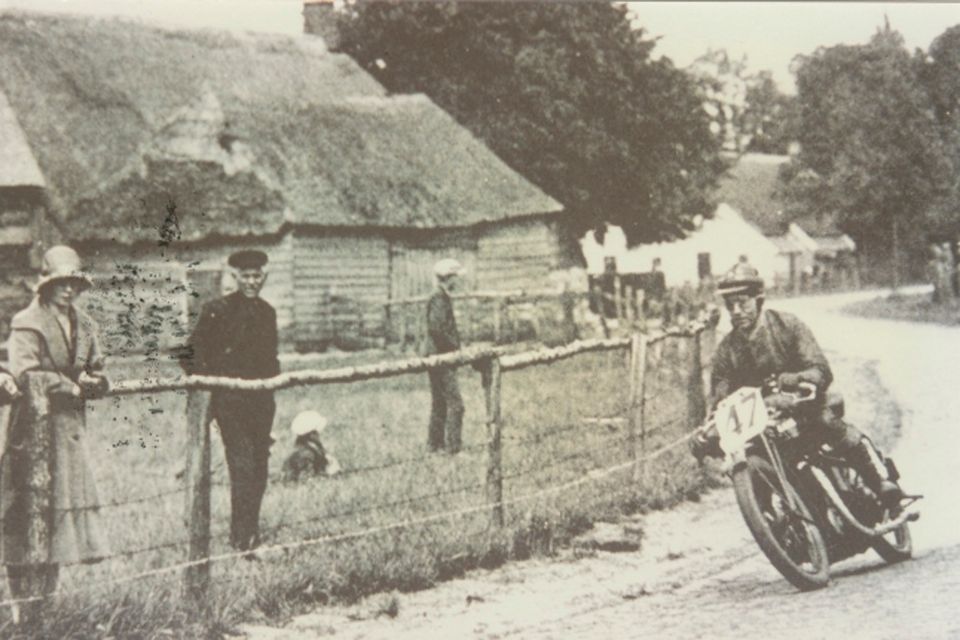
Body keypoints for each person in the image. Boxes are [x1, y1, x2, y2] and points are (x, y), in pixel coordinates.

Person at [692, 260, 903, 506]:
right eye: (731, 305)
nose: (737, 310)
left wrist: (797, 380)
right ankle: (777, 525)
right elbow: (720, 393)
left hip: (804, 407)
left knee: (826, 422)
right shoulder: (727, 350)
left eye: (743, 302)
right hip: (764, 423)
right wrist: (709, 426)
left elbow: (819, 366)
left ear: (758, 300)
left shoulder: (787, 326)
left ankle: (880, 479)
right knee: (754, 462)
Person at [0, 246, 110, 616]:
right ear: (44, 285)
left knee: (59, 518)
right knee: (25, 512)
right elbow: (25, 373)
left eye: (73, 283)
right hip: (33, 430)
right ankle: (21, 607)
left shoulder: (84, 323)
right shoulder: (27, 323)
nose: (67, 290)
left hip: (69, 432)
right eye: (60, 283)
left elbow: (93, 365)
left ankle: (45, 603)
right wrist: (67, 386)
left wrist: (94, 380)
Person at [181, 249, 279, 552]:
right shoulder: (217, 310)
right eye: (246, 276)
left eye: (256, 276)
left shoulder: (267, 312)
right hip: (231, 403)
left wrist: (271, 383)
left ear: (263, 277)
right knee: (242, 465)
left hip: (261, 401)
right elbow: (189, 355)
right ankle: (242, 539)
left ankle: (251, 531)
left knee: (260, 467)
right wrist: (213, 383)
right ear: (235, 277)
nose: (252, 281)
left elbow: (271, 359)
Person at [424, 258, 465, 454]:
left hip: (438, 355)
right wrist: (454, 348)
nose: (458, 282)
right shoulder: (439, 298)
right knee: (456, 404)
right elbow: (437, 329)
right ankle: (453, 448)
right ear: (449, 278)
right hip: (441, 357)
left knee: (440, 402)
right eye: (456, 277)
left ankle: (435, 445)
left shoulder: (441, 296)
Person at [282, 410, 340, 482]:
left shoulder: (312, 448)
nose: (320, 434)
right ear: (311, 435)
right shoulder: (306, 453)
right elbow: (307, 479)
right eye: (317, 432)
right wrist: (331, 475)